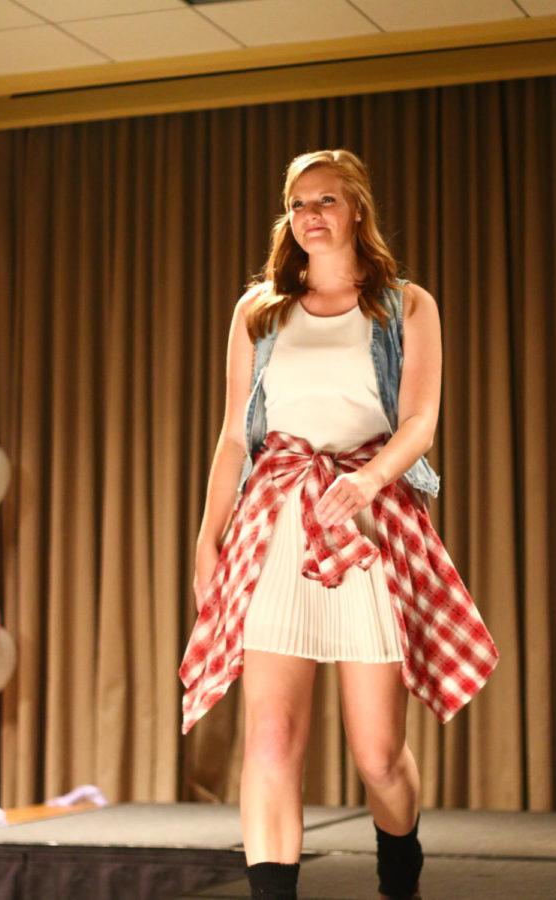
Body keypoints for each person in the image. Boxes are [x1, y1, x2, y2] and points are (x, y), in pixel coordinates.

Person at [179, 148, 499, 900]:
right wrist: (206, 540)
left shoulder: (405, 304)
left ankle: (399, 872)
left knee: (379, 753)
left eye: (326, 201)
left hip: (370, 520)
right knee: (269, 736)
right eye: (298, 204)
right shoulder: (259, 309)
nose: (311, 216)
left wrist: (367, 479)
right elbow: (235, 436)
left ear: (356, 209)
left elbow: (420, 421)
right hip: (276, 517)